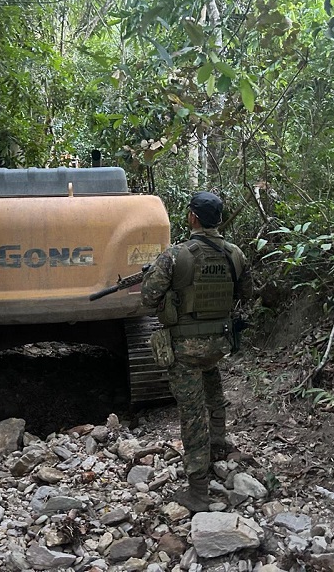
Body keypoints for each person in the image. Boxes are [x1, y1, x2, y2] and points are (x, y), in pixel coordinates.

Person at [141, 191, 253, 512]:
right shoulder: (235, 254)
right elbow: (246, 292)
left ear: (192, 217)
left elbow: (148, 299)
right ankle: (219, 441)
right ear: (217, 219)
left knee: (191, 413)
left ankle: (198, 491)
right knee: (211, 378)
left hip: (186, 348)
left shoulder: (176, 255)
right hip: (219, 343)